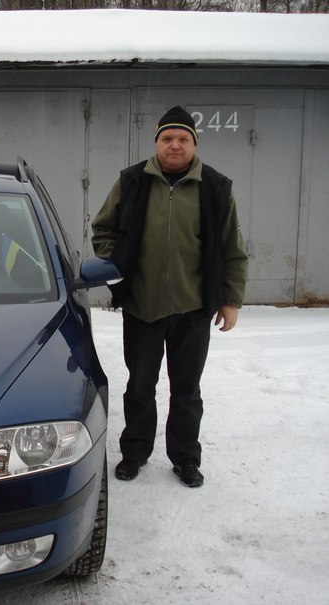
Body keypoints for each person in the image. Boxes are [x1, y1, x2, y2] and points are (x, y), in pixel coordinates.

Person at [92, 106, 248, 488]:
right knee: (140, 386)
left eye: (183, 139)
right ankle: (134, 453)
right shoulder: (132, 181)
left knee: (187, 391)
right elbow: (102, 228)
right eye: (167, 138)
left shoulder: (215, 187)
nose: (174, 145)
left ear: (194, 144)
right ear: (157, 143)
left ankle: (185, 458)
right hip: (142, 306)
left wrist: (231, 300)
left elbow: (232, 247)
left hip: (192, 309)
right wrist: (118, 266)